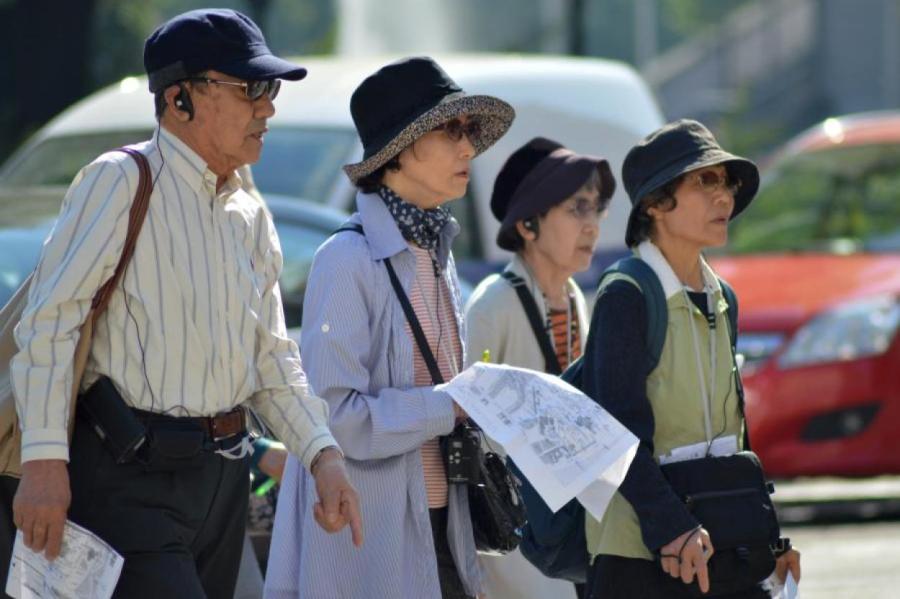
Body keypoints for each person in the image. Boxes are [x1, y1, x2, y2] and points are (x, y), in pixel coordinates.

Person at [9, 9, 361, 599]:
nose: (267, 108)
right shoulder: (119, 180)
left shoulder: (249, 212)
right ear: (179, 100)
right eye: (250, 88)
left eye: (269, 89)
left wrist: (321, 454)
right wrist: (44, 462)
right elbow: (51, 323)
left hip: (223, 484)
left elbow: (272, 354)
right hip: (127, 477)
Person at [265, 56, 514, 599]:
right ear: (400, 148)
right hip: (371, 544)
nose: (468, 148)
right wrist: (451, 404)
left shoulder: (437, 249)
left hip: (446, 527)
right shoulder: (347, 259)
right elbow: (336, 419)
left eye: (470, 131)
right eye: (452, 130)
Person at [581, 119, 801, 598]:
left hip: (719, 547)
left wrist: (767, 537)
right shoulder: (627, 293)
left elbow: (732, 432)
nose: (723, 197)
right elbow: (614, 433)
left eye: (727, 183)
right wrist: (671, 530)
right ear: (657, 204)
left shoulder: (723, 297)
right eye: (704, 181)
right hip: (641, 557)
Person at [464, 137, 615, 599]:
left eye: (596, 209)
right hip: (515, 525)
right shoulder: (493, 303)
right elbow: (471, 426)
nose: (591, 225)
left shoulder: (574, 298)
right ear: (528, 225)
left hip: (567, 515)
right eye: (576, 209)